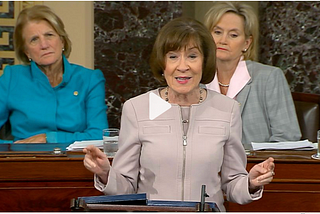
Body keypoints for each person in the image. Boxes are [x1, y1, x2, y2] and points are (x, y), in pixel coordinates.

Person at [83, 17, 275, 212]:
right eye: (173, 56)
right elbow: (126, 188)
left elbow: (233, 184)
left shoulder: (228, 109)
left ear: (205, 61)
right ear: (162, 63)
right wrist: (106, 173)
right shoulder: (137, 108)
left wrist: (250, 182)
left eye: (192, 56)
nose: (183, 66)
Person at [0, 5, 108, 144]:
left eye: (49, 35)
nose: (44, 45)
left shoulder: (90, 79)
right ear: (26, 52)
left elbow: (99, 136)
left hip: (76, 162)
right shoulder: (11, 78)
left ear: (62, 41)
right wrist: (14, 147)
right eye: (34, 39)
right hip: (25, 161)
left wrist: (49, 138)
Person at [204, 2, 301, 148]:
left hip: (259, 166)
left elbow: (288, 137)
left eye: (233, 35)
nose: (223, 40)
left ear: (246, 43)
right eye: (217, 32)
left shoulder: (269, 78)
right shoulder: (196, 79)